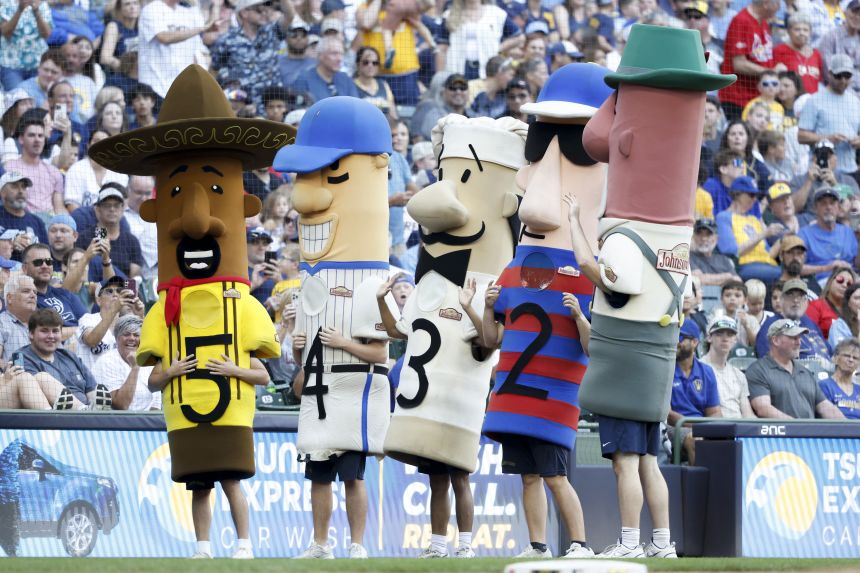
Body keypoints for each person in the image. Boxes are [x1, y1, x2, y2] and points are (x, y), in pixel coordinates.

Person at [148, 348, 269, 558]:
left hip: (227, 419)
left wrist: (234, 370)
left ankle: (244, 546)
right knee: (199, 488)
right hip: (192, 422)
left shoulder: (232, 342)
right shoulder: (175, 346)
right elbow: (152, 383)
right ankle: (203, 549)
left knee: (231, 483)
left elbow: (264, 377)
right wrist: (170, 372)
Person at [746, 318, 845, 419]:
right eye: (793, 338)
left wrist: (848, 425)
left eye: (799, 337)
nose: (799, 342)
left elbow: (826, 407)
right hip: (784, 429)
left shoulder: (805, 372)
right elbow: (763, 409)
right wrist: (796, 426)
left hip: (807, 429)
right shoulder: (758, 370)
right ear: (775, 340)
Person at [19, 308, 111, 410]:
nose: (51, 336)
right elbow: (33, 396)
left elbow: (91, 391)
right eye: (44, 331)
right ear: (31, 334)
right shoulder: (22, 358)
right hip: (55, 416)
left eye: (55, 331)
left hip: (89, 415)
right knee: (42, 377)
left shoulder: (70, 356)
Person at [209, 0, 292, 107]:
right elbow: (213, 71)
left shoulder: (272, 32)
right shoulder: (227, 40)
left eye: (266, 9)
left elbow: (290, 15)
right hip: (241, 106)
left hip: (271, 108)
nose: (264, 13)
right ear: (244, 13)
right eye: (259, 9)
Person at [138, 0, 221, 98]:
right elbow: (164, 37)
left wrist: (216, 6)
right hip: (156, 88)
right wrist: (201, 29)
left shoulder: (188, 12)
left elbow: (203, 41)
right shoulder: (152, 9)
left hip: (183, 88)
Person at [797, 55, 860, 183]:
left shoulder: (855, 101)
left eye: (847, 76)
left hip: (850, 170)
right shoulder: (814, 100)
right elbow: (801, 136)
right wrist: (827, 138)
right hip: (822, 170)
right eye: (838, 76)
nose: (843, 80)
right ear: (830, 74)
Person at [668, 320, 722, 465]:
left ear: (694, 342)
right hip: (673, 427)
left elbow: (715, 412)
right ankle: (697, 480)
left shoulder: (706, 371)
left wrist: (705, 428)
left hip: (700, 427)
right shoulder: (665, 369)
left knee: (730, 439)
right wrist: (699, 428)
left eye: (680, 337)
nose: (675, 342)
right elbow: (668, 414)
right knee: (695, 439)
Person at [718, 0, 780, 120]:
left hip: (758, 97)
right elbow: (739, 64)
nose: (779, 8)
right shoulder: (741, 21)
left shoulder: (764, 22)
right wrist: (770, 72)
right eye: (777, 3)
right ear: (766, 3)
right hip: (737, 98)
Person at [715, 175, 782, 283]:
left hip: (768, 264)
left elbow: (769, 253)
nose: (755, 199)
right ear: (737, 194)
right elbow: (731, 252)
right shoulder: (723, 217)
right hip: (744, 265)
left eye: (756, 196)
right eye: (751, 195)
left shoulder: (754, 220)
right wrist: (763, 234)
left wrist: (783, 240)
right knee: (783, 276)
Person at [76, 275, 145, 372]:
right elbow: (91, 341)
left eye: (119, 291)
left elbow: (144, 348)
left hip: (120, 378)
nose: (115, 294)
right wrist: (114, 309)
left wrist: (140, 317)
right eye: (109, 291)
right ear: (98, 300)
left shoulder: (127, 323)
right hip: (92, 379)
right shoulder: (88, 318)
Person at [93, 314, 160, 410]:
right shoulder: (106, 361)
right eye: (126, 334)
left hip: (147, 418)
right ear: (117, 338)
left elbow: (155, 405)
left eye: (136, 335)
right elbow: (120, 405)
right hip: (119, 418)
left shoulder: (149, 362)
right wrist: (135, 367)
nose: (132, 338)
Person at [75, 185, 143, 279]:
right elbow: (77, 270)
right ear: (97, 209)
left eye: (116, 205)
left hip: (122, 287)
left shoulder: (132, 241)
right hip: (91, 286)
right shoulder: (84, 238)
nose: (112, 209)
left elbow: (134, 279)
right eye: (107, 205)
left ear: (123, 208)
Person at [755, 279, 831, 361]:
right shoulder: (772, 325)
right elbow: (767, 361)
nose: (796, 300)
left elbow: (831, 353)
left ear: (806, 301)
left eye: (800, 296)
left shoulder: (810, 323)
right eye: (790, 295)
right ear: (782, 300)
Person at [4, 119, 63, 217]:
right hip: (21, 219)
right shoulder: (9, 168)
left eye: (40, 136)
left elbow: (59, 207)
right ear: (21, 139)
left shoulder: (53, 172)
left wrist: (68, 222)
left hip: (51, 221)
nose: (37, 140)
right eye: (31, 135)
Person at [701, 316, 755, 418]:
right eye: (719, 334)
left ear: (735, 340)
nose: (725, 339)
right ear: (709, 337)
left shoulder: (739, 375)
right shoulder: (698, 369)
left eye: (730, 335)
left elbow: (747, 414)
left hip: (740, 426)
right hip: (713, 425)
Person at [64, 130, 130, 212]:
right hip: (84, 219)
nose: (100, 145)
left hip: (114, 218)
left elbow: (124, 206)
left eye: (105, 142)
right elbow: (72, 206)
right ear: (88, 146)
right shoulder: (76, 169)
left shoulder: (120, 172)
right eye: (96, 141)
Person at [0, 0, 52, 90]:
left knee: (37, 97)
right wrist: (20, 9)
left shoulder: (43, 5)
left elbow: (46, 34)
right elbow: (6, 33)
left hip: (38, 65)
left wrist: (36, 11)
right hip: (11, 65)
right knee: (18, 96)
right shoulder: (6, 4)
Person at [293, 36, 359, 102]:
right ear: (320, 55)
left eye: (341, 54)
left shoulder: (345, 79)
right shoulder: (303, 79)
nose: (339, 59)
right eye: (334, 53)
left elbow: (356, 105)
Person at [410, 73, 471, 142]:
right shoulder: (427, 108)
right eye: (453, 88)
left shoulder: (473, 115)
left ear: (469, 92)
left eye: (463, 88)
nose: (458, 92)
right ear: (443, 91)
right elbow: (417, 140)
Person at [773, 12, 822, 96]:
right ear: (788, 31)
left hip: (813, 100)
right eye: (797, 29)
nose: (801, 33)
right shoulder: (779, 50)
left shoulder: (816, 54)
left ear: (810, 32)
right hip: (790, 100)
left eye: (805, 30)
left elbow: (820, 81)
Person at [807, 267, 857, 340]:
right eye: (840, 280)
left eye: (849, 284)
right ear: (830, 281)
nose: (844, 285)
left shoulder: (853, 311)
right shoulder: (816, 305)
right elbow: (809, 332)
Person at [124, 175, 157, 280]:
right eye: (138, 192)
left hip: (160, 271)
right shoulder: (119, 215)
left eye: (147, 193)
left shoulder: (161, 213)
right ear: (128, 190)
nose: (143, 198)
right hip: (130, 274)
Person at [0, 171, 47, 245]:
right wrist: (12, 243)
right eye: (14, 186)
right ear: (2, 192)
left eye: (23, 187)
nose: (20, 191)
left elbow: (46, 250)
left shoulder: (37, 222)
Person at [690, 217, 740, 286]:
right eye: (699, 233)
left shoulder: (724, 260)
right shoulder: (689, 257)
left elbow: (738, 282)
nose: (703, 238)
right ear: (693, 237)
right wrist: (728, 276)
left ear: (716, 238)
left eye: (708, 234)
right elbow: (699, 279)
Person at [819, 338, 860, 418]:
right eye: (846, 356)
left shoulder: (859, 389)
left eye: (855, 358)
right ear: (835, 358)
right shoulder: (825, 386)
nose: (851, 360)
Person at [0, 273, 37, 363]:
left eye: (35, 292)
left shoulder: (42, 322)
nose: (33, 295)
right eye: (26, 291)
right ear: (10, 298)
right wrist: (13, 367)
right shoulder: (1, 322)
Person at [353, 46, 398, 118]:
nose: (370, 65)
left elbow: (393, 114)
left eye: (375, 63)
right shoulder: (350, 86)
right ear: (358, 65)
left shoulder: (384, 85)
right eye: (366, 62)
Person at [99, 0, 140, 76]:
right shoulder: (114, 26)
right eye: (127, 4)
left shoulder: (142, 26)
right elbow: (105, 58)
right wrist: (128, 69)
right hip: (121, 75)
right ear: (119, 9)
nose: (132, 7)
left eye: (135, 3)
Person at [277, 20, 316, 87]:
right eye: (294, 35)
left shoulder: (317, 63)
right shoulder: (277, 64)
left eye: (303, 35)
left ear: (308, 39)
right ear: (286, 39)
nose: (299, 38)